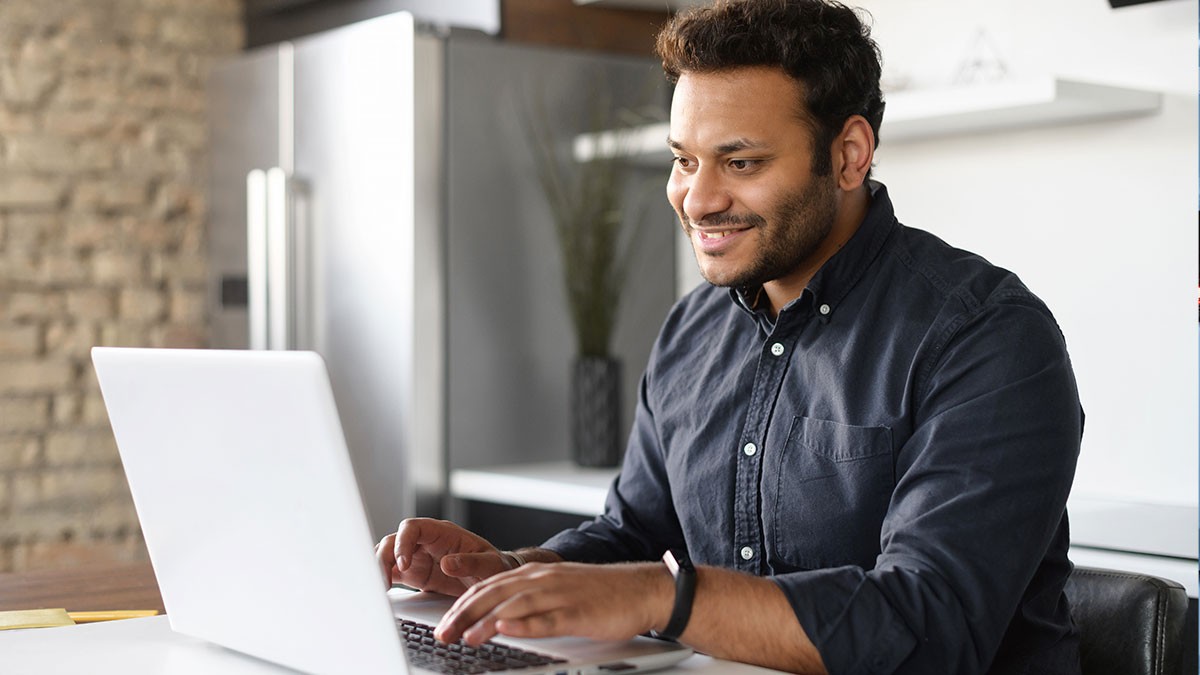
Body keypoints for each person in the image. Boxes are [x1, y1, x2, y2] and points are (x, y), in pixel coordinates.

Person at [376, 1, 1084, 672]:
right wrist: (511, 570)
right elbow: (632, 538)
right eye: (685, 159)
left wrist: (665, 597)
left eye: (740, 163)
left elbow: (929, 629)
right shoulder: (691, 331)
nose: (698, 197)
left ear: (849, 154)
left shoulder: (988, 336)